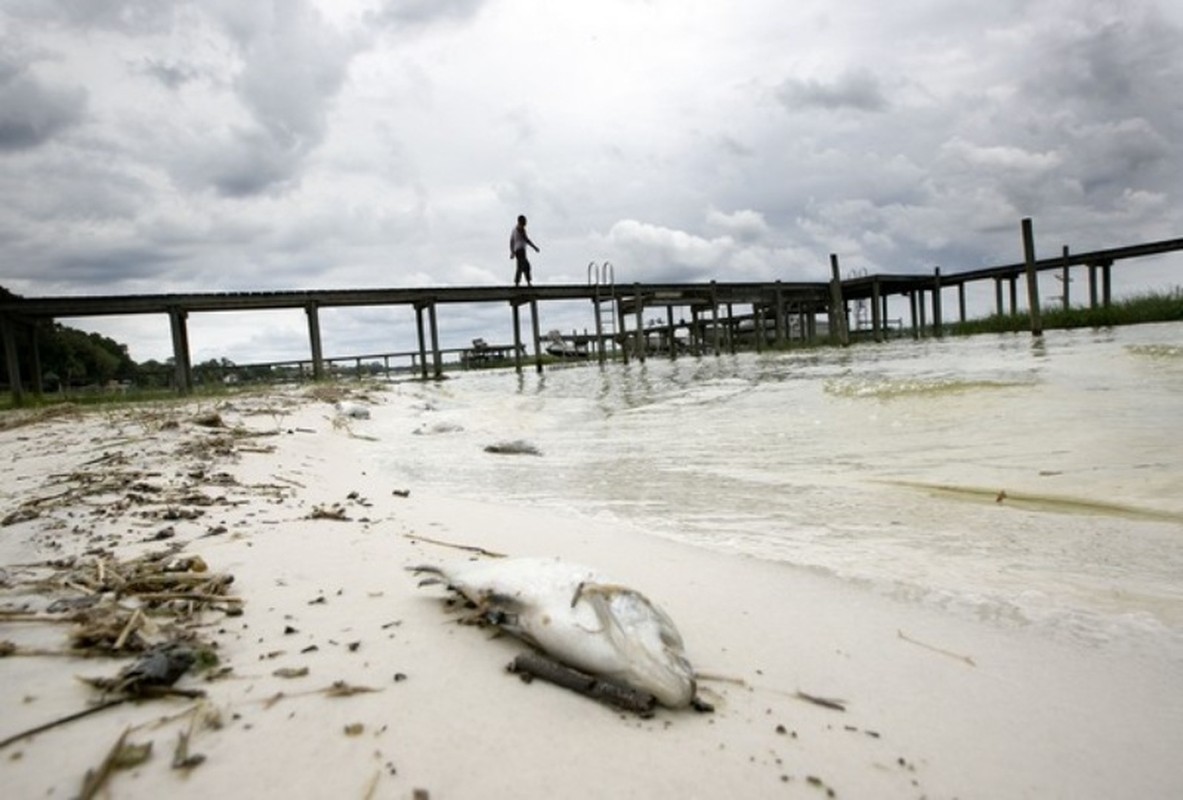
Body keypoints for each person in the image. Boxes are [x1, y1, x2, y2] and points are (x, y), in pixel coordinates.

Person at [509, 215, 540, 286]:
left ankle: (519, 282)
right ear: (521, 221)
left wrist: (512, 251)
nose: (526, 223)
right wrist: (535, 247)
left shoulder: (514, 229)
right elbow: (526, 239)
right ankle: (524, 282)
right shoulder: (521, 228)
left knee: (521, 266)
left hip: (517, 250)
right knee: (525, 266)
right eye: (525, 221)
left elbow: (511, 241)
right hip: (521, 250)